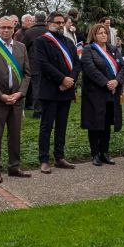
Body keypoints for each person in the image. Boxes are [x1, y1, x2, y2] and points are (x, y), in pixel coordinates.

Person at [0, 15, 31, 183]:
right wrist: (0, 95)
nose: (6, 30)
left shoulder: (21, 47)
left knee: (15, 135)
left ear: (14, 29)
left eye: (9, 27)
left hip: (16, 99)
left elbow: (27, 74)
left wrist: (20, 93)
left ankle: (14, 167)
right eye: (2, 27)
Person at [35, 12, 81, 173]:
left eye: (63, 22)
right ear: (49, 23)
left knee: (62, 125)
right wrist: (62, 79)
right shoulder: (41, 41)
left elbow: (76, 63)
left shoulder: (68, 42)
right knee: (47, 126)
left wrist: (70, 80)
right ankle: (44, 159)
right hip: (50, 90)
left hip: (66, 91)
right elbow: (43, 64)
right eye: (58, 22)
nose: (61, 25)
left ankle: (59, 157)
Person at [79, 23, 123, 166]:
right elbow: (90, 69)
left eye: (105, 32)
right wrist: (106, 83)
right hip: (95, 93)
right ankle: (95, 153)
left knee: (106, 123)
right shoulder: (88, 49)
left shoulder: (113, 49)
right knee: (95, 123)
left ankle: (105, 152)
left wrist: (116, 81)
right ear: (94, 35)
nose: (103, 35)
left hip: (111, 93)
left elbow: (123, 67)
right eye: (100, 33)